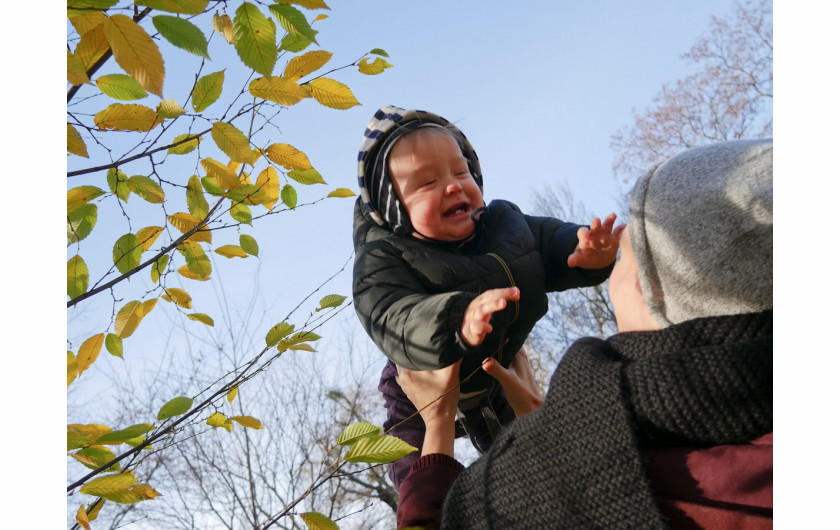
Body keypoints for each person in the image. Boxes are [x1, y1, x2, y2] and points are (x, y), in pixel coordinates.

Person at [395, 138, 773, 529]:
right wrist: (542, 427)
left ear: (653, 289)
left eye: (626, 254)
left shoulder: (576, 483)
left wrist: (438, 420)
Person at [352, 105, 621, 489]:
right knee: (417, 475)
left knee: (539, 468)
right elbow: (390, 314)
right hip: (418, 378)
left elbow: (546, 242)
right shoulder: (385, 256)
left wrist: (586, 253)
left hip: (497, 370)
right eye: (426, 183)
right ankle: (425, 507)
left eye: (461, 171)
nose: (453, 185)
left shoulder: (503, 225)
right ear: (394, 210)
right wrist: (456, 319)